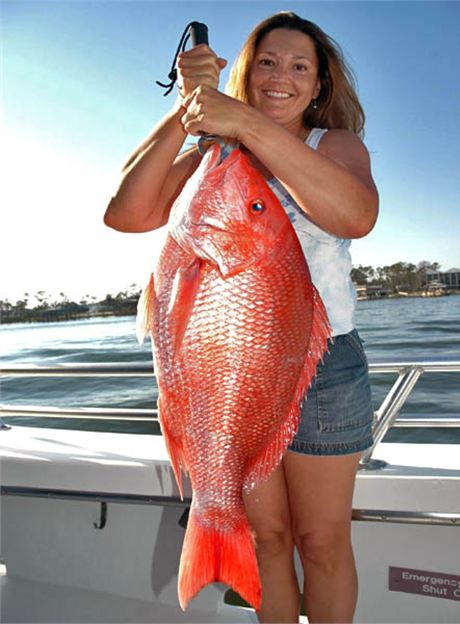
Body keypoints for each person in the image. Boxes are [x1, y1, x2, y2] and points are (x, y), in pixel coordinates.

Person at [104, 11, 379, 624]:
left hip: (323, 371)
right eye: (267, 62)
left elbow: (355, 215)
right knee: (267, 540)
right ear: (246, 72)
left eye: (300, 66)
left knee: (323, 543)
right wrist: (192, 109)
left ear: (319, 84)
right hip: (222, 376)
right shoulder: (214, 154)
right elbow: (127, 213)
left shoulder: (332, 145)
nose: (282, 76)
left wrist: (245, 122)